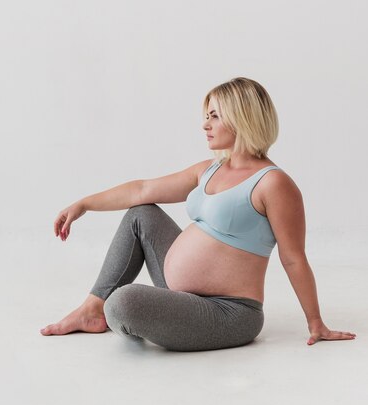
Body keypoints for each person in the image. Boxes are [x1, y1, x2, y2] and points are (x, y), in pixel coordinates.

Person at [40, 77, 356, 351]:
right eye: (206, 116)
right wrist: (84, 204)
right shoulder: (210, 169)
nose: (206, 124)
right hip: (182, 294)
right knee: (141, 215)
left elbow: (293, 258)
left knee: (123, 303)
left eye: (215, 116)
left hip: (228, 312)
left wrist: (316, 323)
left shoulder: (273, 183)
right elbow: (142, 190)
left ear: (243, 118)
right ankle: (92, 310)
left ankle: (125, 310)